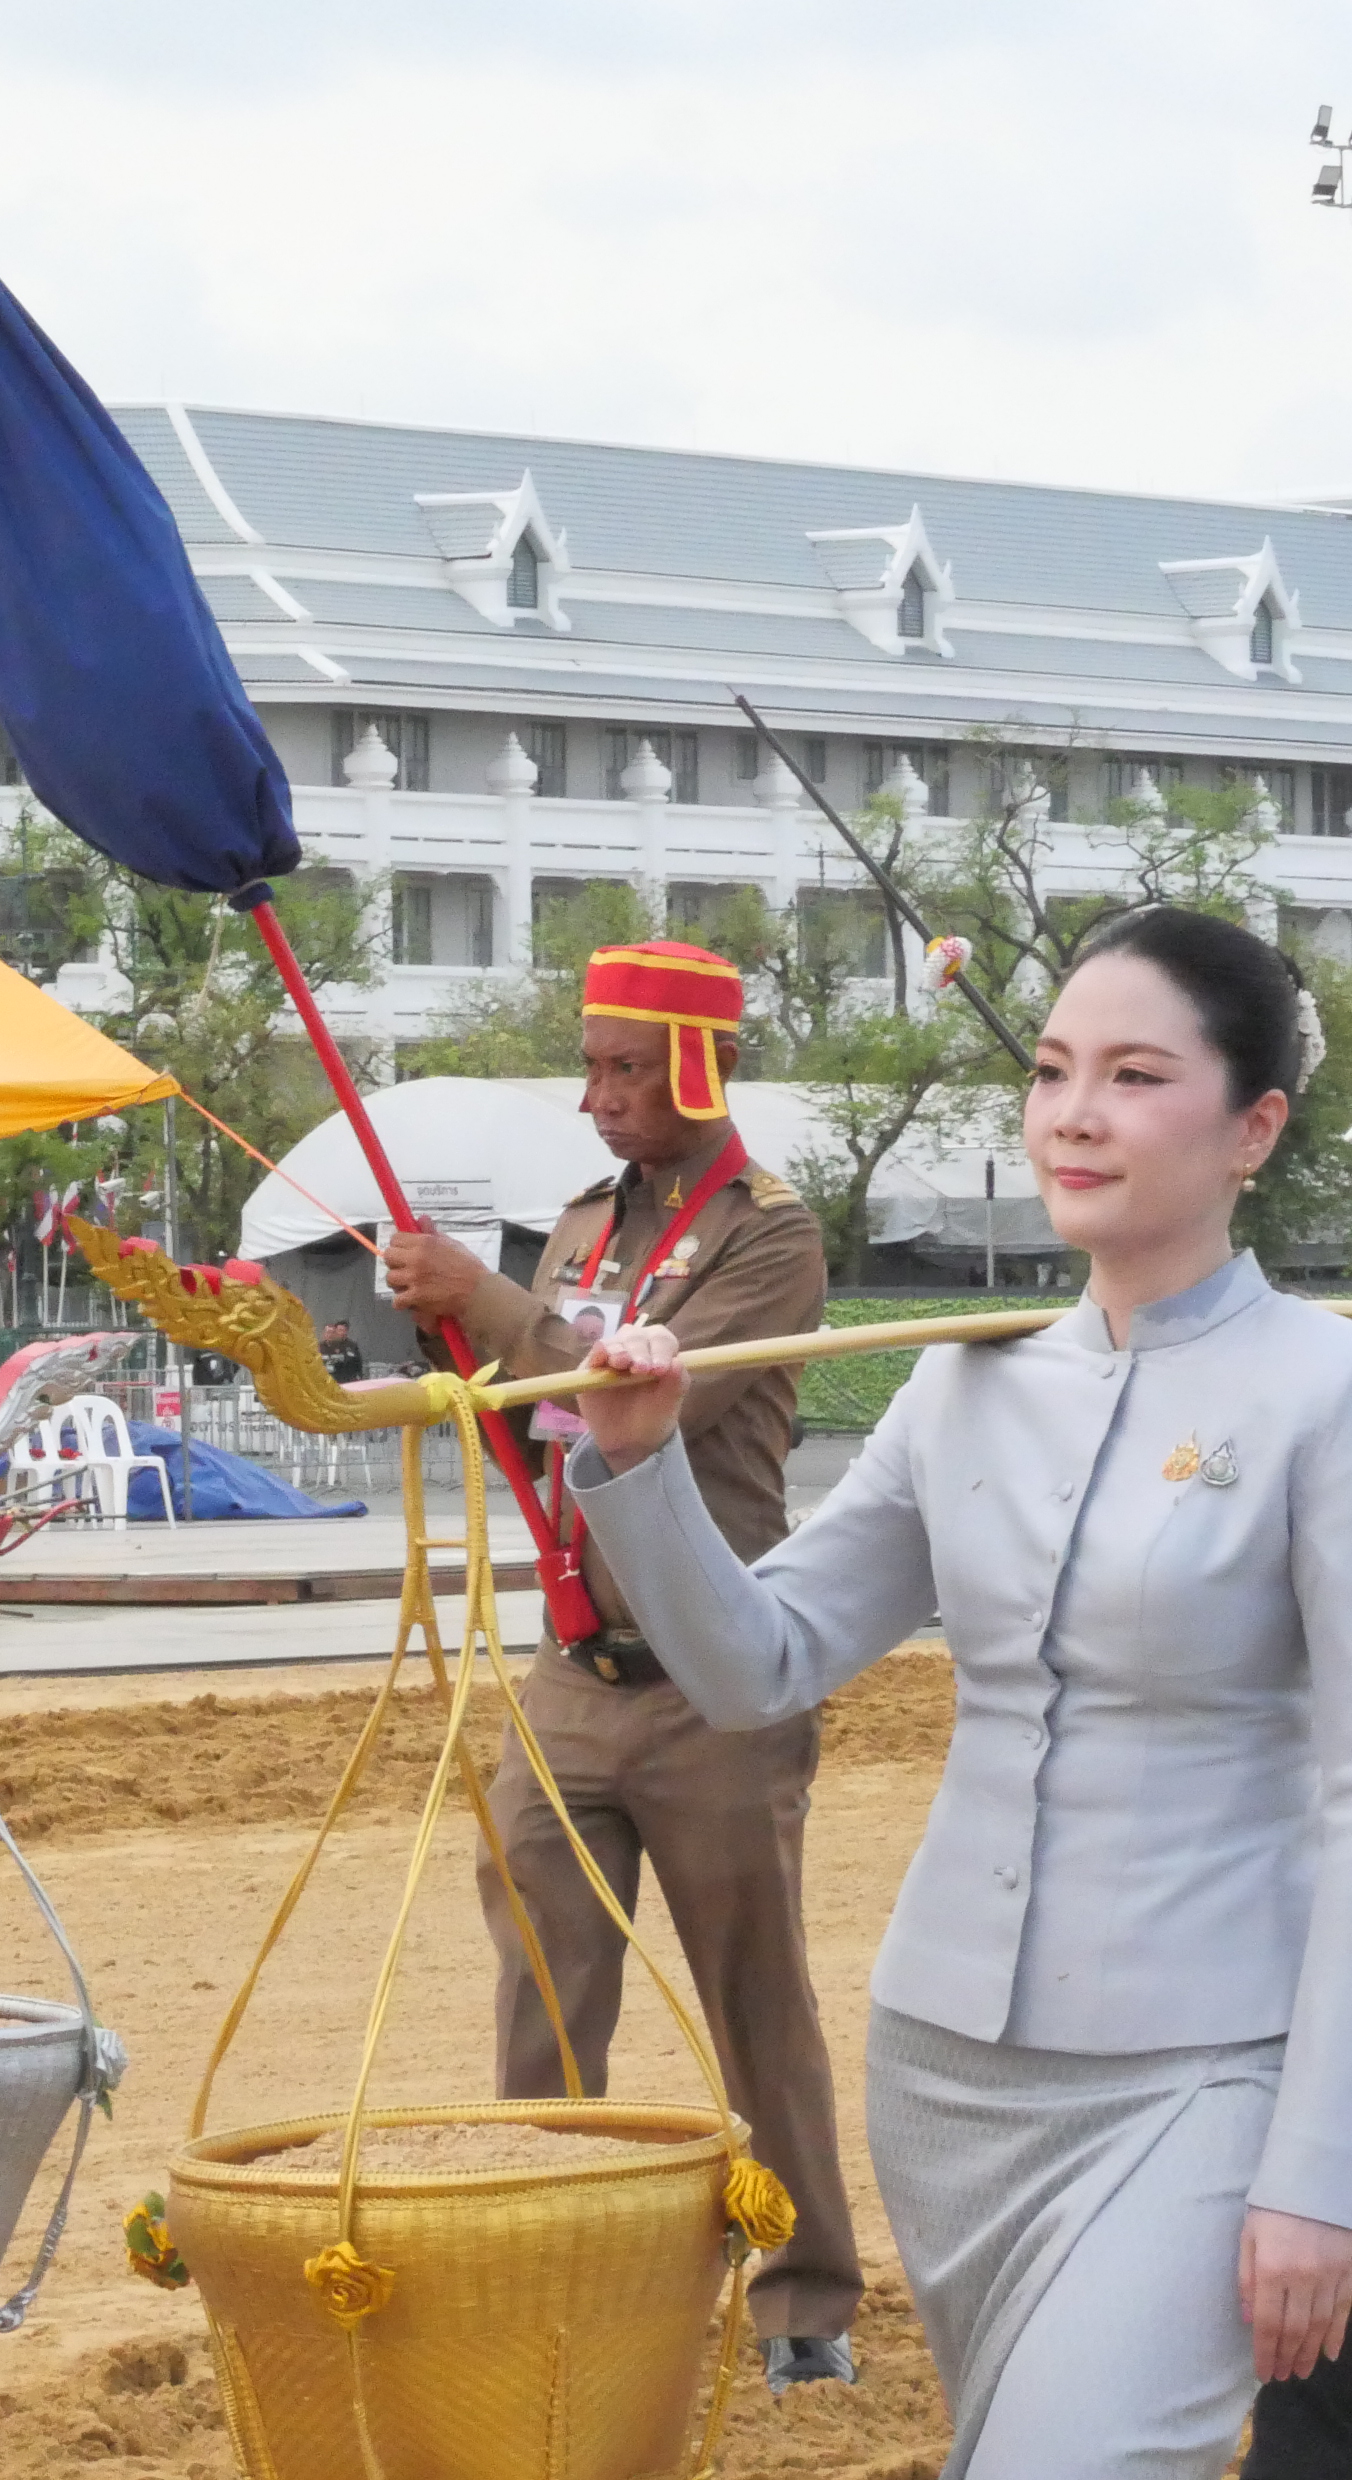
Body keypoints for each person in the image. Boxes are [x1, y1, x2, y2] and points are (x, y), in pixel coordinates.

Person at [567, 905, 1352, 2478]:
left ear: (1254, 1126)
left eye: (1135, 1075)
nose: (1073, 1111)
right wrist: (636, 1469)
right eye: (1056, 1069)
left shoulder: (1321, 1396)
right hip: (942, 2073)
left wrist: (1320, 2172)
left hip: (1207, 2077)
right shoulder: (960, 1380)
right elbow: (756, 1664)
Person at [378, 937, 859, 2390]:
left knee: (752, 1993)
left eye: (625, 1070)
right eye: (589, 1067)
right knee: (540, 1980)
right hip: (572, 1680)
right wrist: (455, 1334)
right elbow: (529, 1418)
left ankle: (805, 2306)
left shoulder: (772, 1239)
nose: (597, 1098)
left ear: (697, 1069)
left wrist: (487, 1301)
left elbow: (637, 1401)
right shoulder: (578, 1229)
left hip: (718, 1689)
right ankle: (551, 2270)